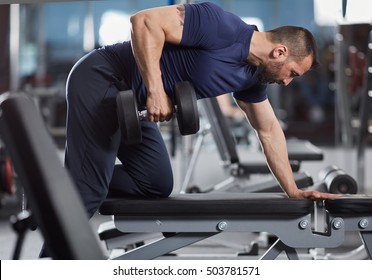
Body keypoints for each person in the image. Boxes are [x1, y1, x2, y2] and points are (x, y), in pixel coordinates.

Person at [65, 2, 340, 218]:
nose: (286, 82)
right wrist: (156, 91)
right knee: (89, 190)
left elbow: (268, 130)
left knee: (155, 183)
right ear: (279, 52)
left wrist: (293, 190)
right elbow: (144, 21)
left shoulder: (253, 77)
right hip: (103, 77)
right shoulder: (221, 25)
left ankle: (71, 175)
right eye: (292, 73)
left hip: (132, 104)